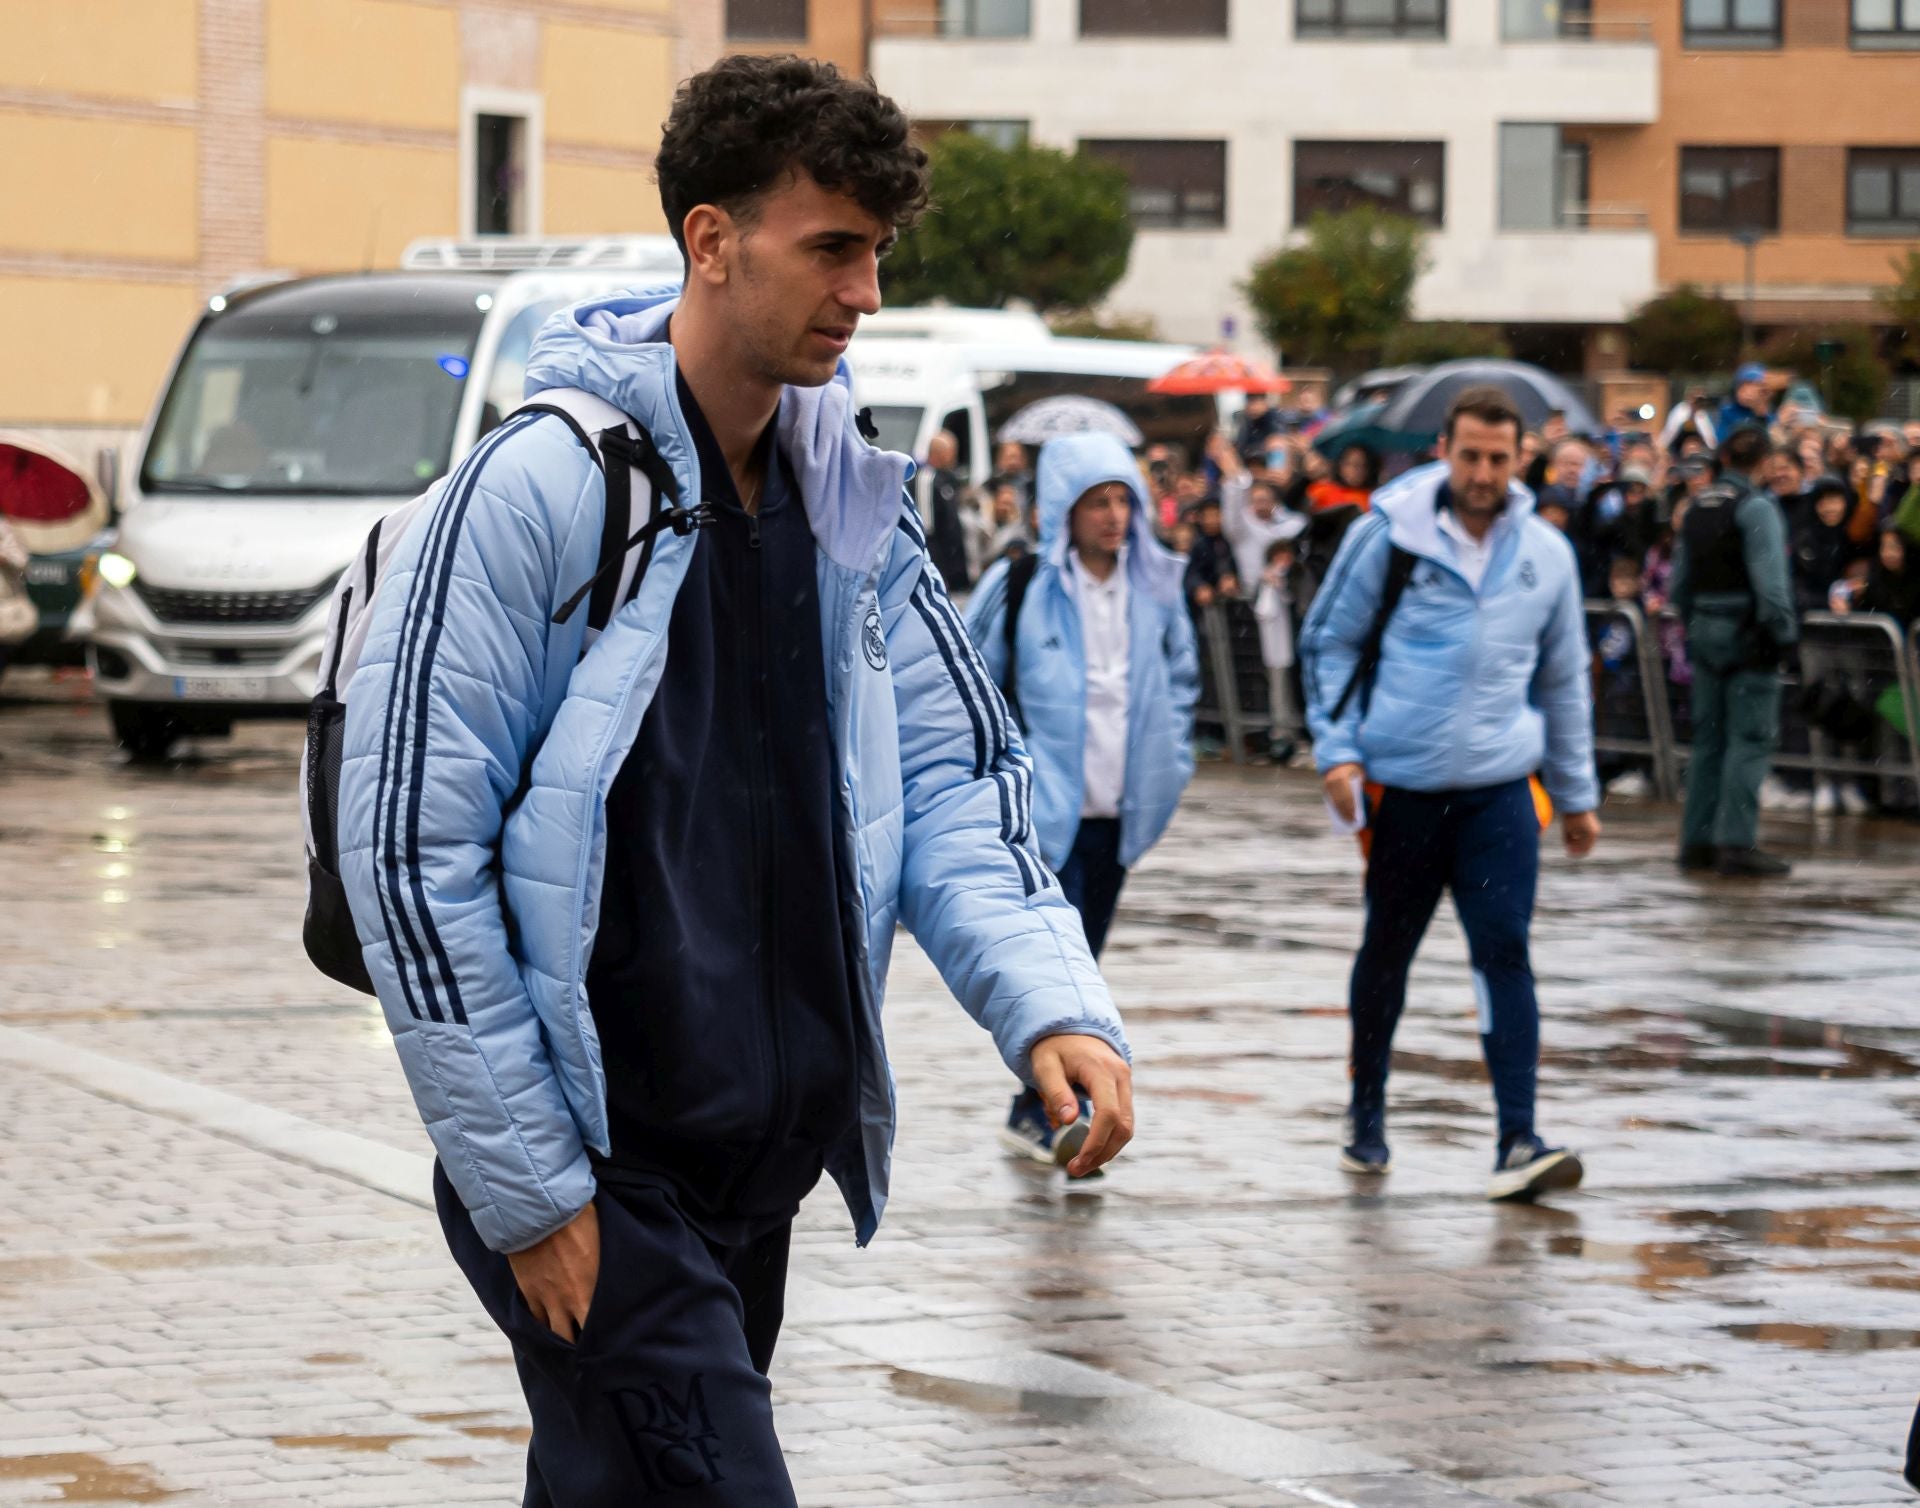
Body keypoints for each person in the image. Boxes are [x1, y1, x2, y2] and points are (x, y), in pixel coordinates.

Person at [336, 57, 1134, 1506]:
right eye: (832, 247)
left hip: (755, 1167)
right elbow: (408, 845)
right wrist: (532, 1189)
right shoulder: (542, 491)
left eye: (878, 253)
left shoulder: (850, 504)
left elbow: (959, 779)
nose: (865, 292)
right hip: (596, 1161)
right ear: (713, 240)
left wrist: (1049, 1002)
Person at [1300, 386, 1600, 1204]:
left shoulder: (1547, 554)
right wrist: (1337, 751)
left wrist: (1576, 796)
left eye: (1499, 458)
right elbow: (1329, 641)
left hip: (1501, 792)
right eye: (1469, 455)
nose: (1482, 471)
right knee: (1387, 955)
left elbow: (1566, 677)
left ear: (1521, 459)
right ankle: (1366, 1114)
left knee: (1504, 952)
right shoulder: (1388, 538)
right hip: (1405, 790)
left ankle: (1518, 1136)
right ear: (1444, 449)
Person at [964, 433, 1198, 1169]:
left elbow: (1182, 676)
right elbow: (971, 682)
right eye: (1097, 501)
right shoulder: (1024, 581)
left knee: (1086, 957)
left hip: (1121, 806)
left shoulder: (1155, 587)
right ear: (1064, 508)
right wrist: (1009, 771)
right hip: (1045, 810)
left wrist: (1173, 756)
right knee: (1055, 965)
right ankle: (1043, 1107)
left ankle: (1046, 1106)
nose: (1113, 516)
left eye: (1123, 499)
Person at [1672, 423, 1799, 879]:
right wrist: (1783, 636)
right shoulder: (1757, 507)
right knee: (1748, 741)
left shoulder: (1697, 509)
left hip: (1705, 630)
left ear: (1723, 459)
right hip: (1748, 635)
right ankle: (1735, 843)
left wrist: (1695, 627)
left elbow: (1679, 586)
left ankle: (1697, 842)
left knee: (1708, 742)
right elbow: (1772, 587)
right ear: (1764, 462)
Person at [1210, 432, 1305, 596]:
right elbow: (1233, 506)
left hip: (1297, 595)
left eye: (1265, 499)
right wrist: (1234, 473)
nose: (1262, 503)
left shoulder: (1295, 523)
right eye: (1257, 500)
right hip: (1258, 600)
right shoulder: (1242, 530)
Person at [1254, 536, 1303, 760]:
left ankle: (1293, 731)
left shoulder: (1297, 577)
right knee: (1278, 687)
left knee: (1291, 688)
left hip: (1295, 643)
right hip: (1277, 646)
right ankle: (1283, 731)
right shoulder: (1266, 579)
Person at [918, 429, 972, 594]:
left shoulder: (948, 480)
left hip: (953, 566)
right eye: (951, 452)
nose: (953, 458)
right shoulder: (926, 479)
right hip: (938, 565)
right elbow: (928, 528)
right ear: (939, 453)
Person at [1182, 494, 1240, 608]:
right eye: (1207, 516)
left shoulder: (1231, 539)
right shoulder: (1198, 544)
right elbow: (1191, 572)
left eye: (1215, 515)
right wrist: (1199, 586)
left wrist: (1232, 578)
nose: (1211, 520)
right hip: (1210, 604)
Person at [1308, 444, 1376, 512]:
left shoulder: (1373, 498)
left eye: (1364, 465)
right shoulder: (1321, 491)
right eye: (1353, 464)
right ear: (1340, 465)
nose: (1359, 470)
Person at [1716, 363, 1771, 438]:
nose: (1748, 391)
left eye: (1754, 386)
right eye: (1744, 386)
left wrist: (1760, 413)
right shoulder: (1727, 411)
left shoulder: (1768, 413)